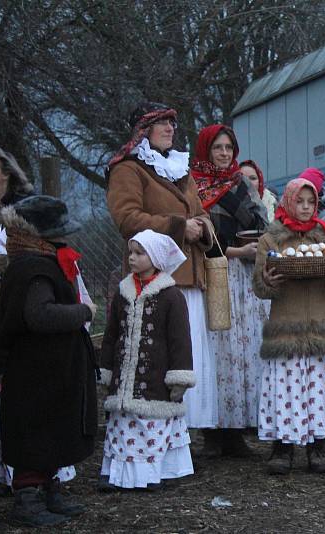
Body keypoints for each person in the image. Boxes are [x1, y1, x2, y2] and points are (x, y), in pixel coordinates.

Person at [106, 102, 216, 431]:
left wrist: (203, 228)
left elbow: (202, 214)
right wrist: (181, 226)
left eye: (172, 122)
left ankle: (181, 436)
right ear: (143, 129)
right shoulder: (128, 168)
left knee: (186, 355)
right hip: (154, 281)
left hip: (189, 277)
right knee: (161, 358)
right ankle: (157, 434)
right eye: (162, 123)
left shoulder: (180, 168)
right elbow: (127, 219)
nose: (171, 128)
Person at [0, 195, 97, 527]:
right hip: (34, 370)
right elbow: (39, 315)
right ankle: (27, 499)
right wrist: (82, 312)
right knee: (35, 433)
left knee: (52, 429)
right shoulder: (33, 268)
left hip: (50, 369)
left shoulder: (40, 261)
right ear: (41, 235)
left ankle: (49, 491)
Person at [252, 178, 325, 474]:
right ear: (288, 201)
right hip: (287, 324)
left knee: (318, 387)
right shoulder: (271, 239)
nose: (306, 208)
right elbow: (260, 285)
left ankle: (319, 446)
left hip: (321, 324)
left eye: (311, 202)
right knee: (286, 387)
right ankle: (282, 448)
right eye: (300, 201)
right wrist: (267, 281)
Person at [192, 125, 268, 457]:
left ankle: (236, 430)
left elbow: (261, 222)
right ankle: (212, 430)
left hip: (244, 280)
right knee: (216, 350)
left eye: (228, 148)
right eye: (218, 148)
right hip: (215, 272)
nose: (224, 154)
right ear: (206, 150)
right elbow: (201, 232)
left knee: (243, 350)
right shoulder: (193, 186)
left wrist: (252, 242)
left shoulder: (240, 183)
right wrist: (235, 250)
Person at [98, 230, 195, 489]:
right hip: (123, 381)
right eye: (131, 252)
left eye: (140, 253)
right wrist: (106, 370)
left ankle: (152, 474)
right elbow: (111, 334)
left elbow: (180, 340)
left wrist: (179, 377)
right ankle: (118, 475)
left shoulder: (172, 297)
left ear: (156, 257)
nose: (132, 258)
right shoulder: (123, 292)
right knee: (124, 425)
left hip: (155, 380)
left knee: (150, 427)